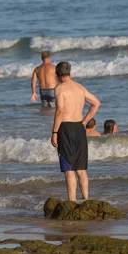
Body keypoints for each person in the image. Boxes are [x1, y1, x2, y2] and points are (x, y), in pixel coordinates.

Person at [51, 61, 101, 202]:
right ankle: (86, 200)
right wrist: (84, 122)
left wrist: (54, 132)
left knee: (69, 169)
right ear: (70, 73)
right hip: (79, 128)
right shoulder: (80, 87)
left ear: (57, 74)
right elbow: (96, 103)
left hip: (65, 128)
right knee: (81, 169)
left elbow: (60, 110)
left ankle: (72, 202)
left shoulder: (59, 89)